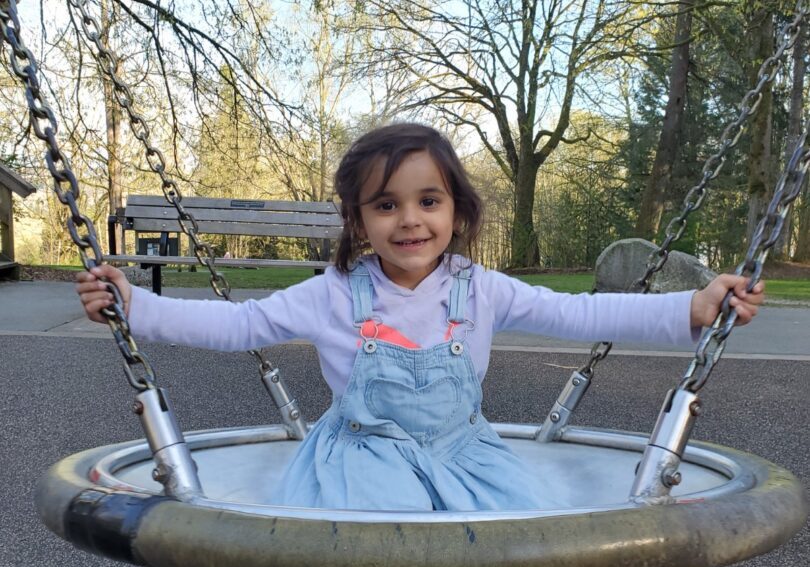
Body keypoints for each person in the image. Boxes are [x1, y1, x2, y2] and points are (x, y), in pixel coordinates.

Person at [76, 123, 764, 512]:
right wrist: (137, 304)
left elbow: (579, 311)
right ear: (358, 219)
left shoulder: (481, 287)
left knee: (525, 522)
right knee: (388, 527)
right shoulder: (333, 292)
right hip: (364, 450)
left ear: (456, 211)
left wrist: (693, 308)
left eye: (427, 200)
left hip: (466, 447)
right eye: (385, 205)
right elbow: (236, 326)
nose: (409, 219)